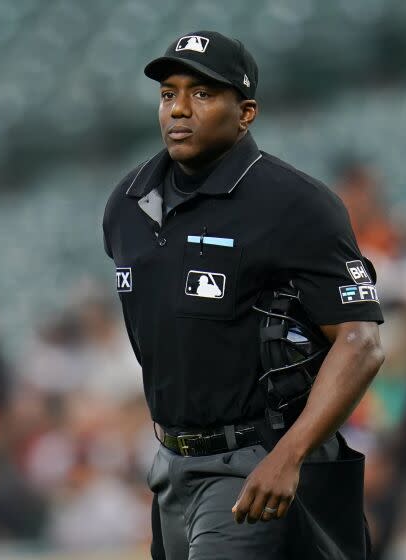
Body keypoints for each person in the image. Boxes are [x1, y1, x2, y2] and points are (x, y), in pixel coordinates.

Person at [102, 31, 384, 559]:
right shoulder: (127, 201)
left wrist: (290, 455)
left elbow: (360, 340)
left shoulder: (294, 203)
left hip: (255, 460)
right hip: (171, 465)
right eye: (168, 94)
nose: (179, 109)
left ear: (246, 111)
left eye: (203, 94)